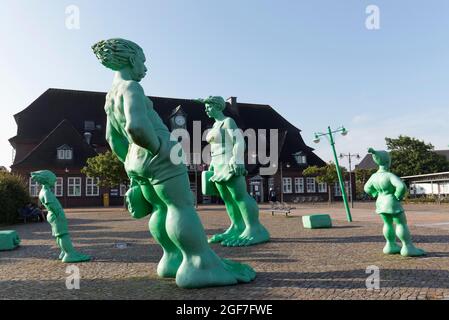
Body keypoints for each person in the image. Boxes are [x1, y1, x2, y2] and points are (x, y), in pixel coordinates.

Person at [92, 38, 255, 288]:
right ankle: (199, 265)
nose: (145, 69)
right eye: (143, 62)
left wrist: (130, 162)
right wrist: (160, 148)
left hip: (137, 160)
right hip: (158, 155)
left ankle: (171, 258)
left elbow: (111, 139)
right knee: (181, 207)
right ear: (132, 59)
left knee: (160, 208)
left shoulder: (110, 96)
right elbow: (136, 126)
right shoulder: (131, 87)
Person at [199, 96, 270, 247]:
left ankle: (255, 228)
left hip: (229, 163)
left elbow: (239, 141)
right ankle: (237, 226)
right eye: (205, 107)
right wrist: (211, 164)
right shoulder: (214, 125)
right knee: (227, 199)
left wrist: (237, 159)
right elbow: (214, 148)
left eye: (209, 106)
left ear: (218, 106)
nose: (206, 109)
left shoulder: (228, 121)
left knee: (240, 196)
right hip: (217, 165)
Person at [364, 148, 425, 257]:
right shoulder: (389, 175)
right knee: (401, 223)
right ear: (388, 161)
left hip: (380, 202)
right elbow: (401, 186)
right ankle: (407, 247)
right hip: (392, 202)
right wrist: (398, 196)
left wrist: (375, 194)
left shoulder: (374, 176)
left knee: (387, 223)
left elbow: (366, 188)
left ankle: (390, 245)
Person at [31, 170, 91, 263]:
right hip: (56, 215)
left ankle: (63, 252)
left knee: (59, 235)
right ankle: (70, 254)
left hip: (53, 215)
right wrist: (59, 215)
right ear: (47, 180)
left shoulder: (44, 191)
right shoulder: (46, 192)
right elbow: (51, 205)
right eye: (53, 180)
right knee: (64, 235)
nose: (55, 182)